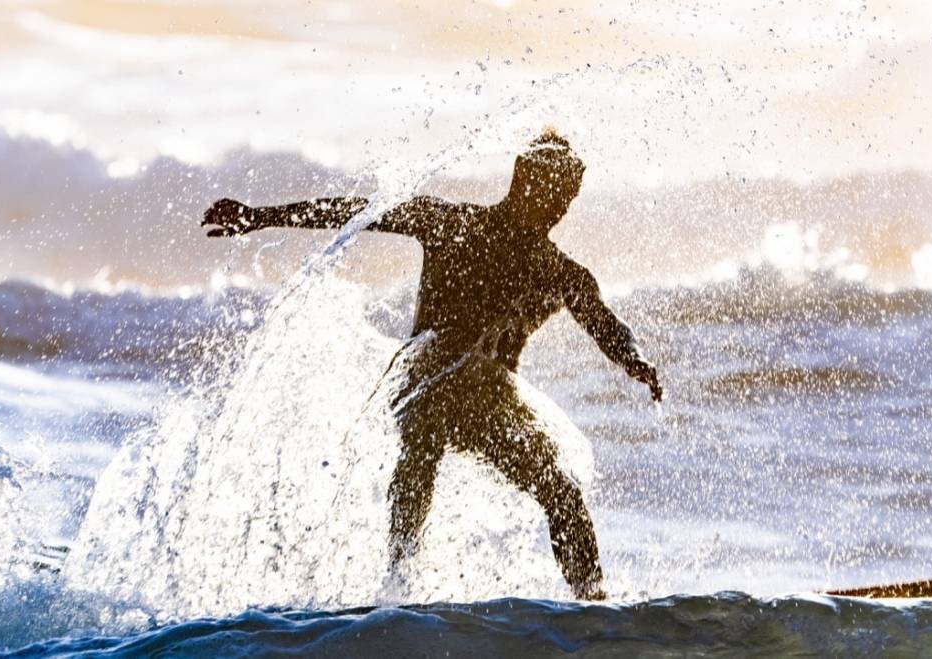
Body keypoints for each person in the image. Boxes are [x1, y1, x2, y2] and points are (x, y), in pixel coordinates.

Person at [202, 129, 662, 600]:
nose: (557, 206)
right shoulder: (449, 223)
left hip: (493, 404)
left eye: (567, 196)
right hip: (427, 386)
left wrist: (635, 360)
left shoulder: (558, 271)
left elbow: (606, 323)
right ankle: (398, 586)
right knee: (424, 441)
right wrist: (258, 217)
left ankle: (592, 608)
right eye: (550, 190)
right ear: (522, 177)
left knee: (563, 492)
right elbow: (358, 212)